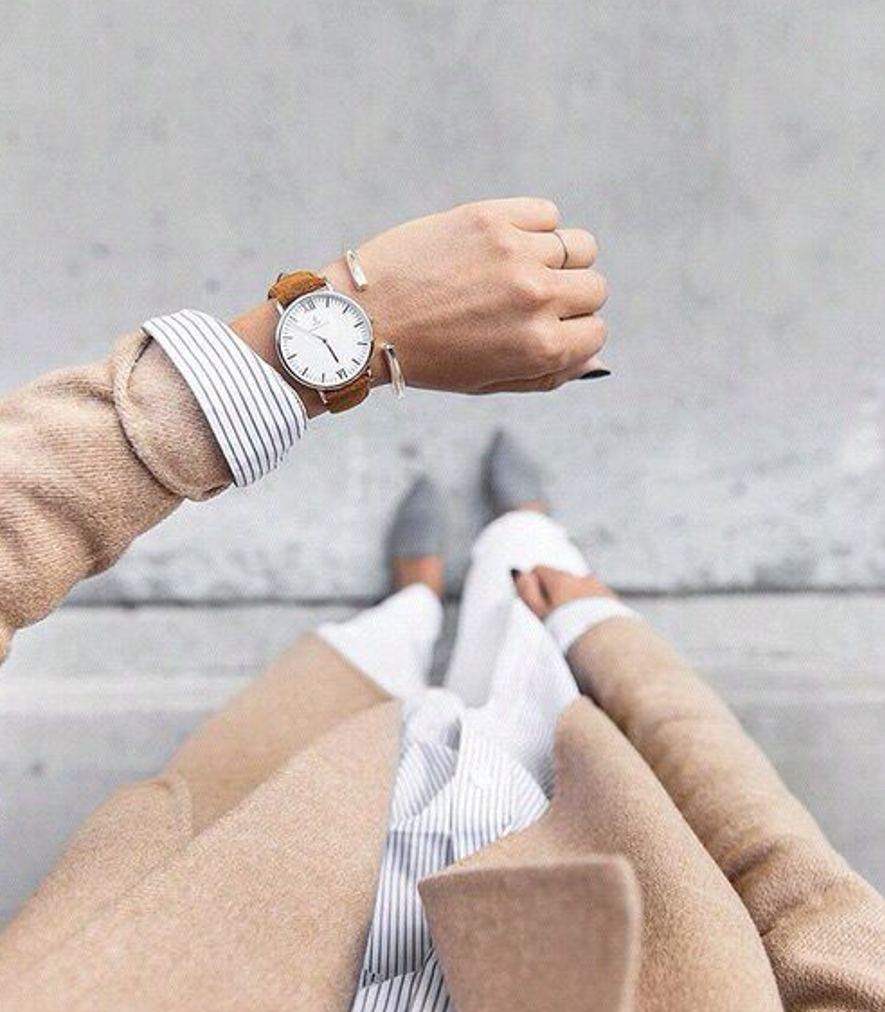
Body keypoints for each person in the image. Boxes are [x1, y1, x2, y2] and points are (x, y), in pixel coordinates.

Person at [0, 198, 882, 1012]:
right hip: (575, 801)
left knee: (379, 645)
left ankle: (415, 598)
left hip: (273, 810)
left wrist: (305, 345)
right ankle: (526, 539)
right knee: (527, 586)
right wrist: (602, 627)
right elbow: (817, 911)